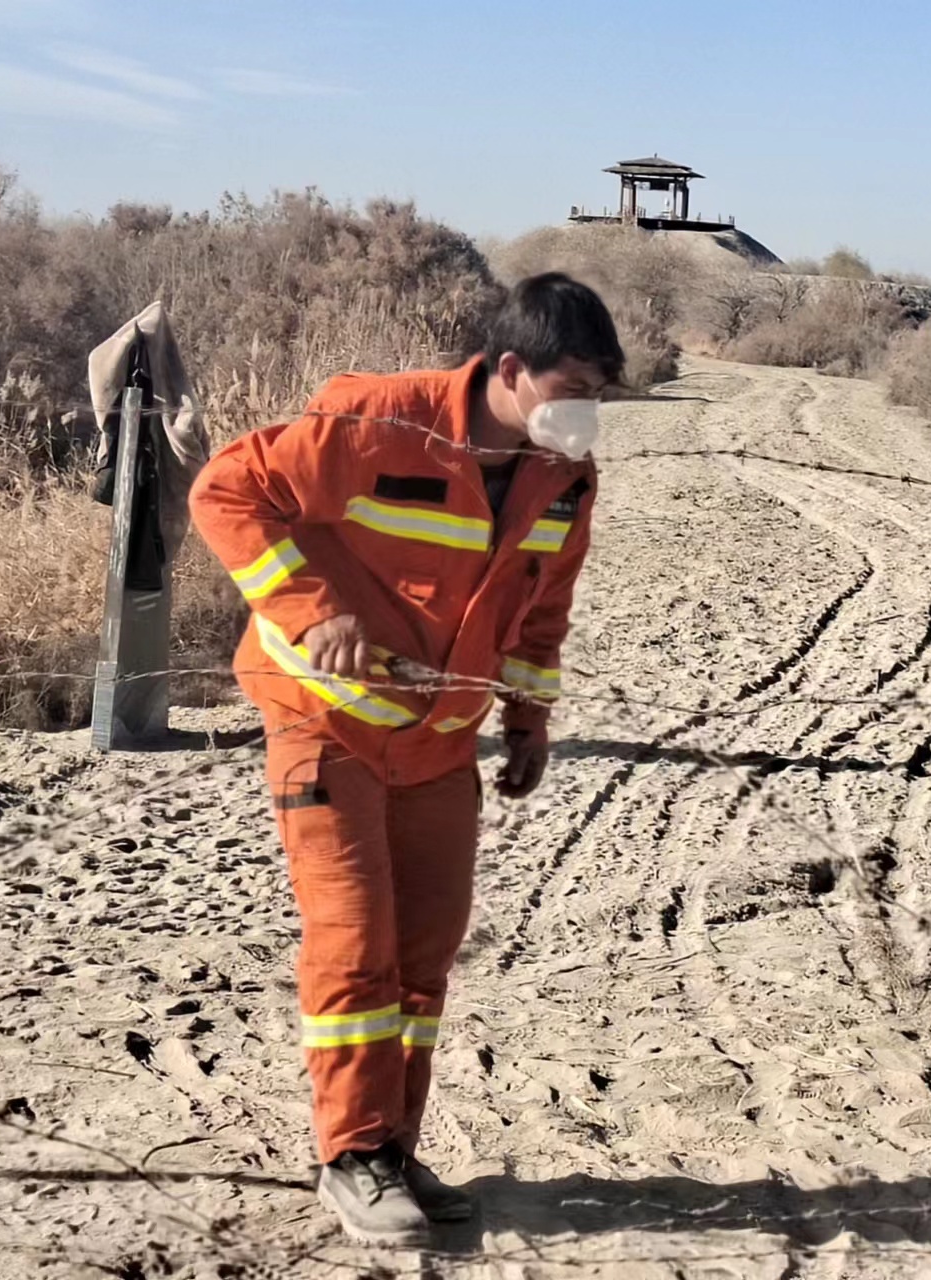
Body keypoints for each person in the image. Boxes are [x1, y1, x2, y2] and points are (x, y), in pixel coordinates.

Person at [188, 273, 623, 1245]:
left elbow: (540, 608)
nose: (586, 413)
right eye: (573, 387)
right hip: (323, 717)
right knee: (353, 939)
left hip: (437, 739)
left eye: (601, 392)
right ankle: (350, 1155)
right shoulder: (379, 424)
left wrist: (527, 718)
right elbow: (225, 489)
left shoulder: (565, 478)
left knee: (422, 955)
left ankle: (391, 1144)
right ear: (508, 370)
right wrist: (311, 610)